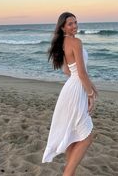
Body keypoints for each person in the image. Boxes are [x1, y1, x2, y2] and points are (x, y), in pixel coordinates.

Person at [42, 12, 98, 176]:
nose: (74, 26)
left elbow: (69, 71)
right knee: (86, 136)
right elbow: (81, 73)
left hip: (70, 89)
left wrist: (92, 87)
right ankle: (67, 174)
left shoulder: (62, 43)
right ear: (63, 27)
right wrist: (90, 94)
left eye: (75, 22)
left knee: (73, 134)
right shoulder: (76, 42)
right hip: (76, 91)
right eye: (70, 24)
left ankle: (69, 173)